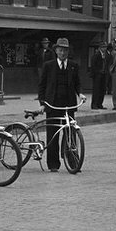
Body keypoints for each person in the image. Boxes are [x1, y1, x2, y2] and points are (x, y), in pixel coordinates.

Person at [37, 36, 83, 172]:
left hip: (69, 105)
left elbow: (77, 83)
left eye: (65, 51)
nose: (62, 53)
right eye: (60, 50)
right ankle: (53, 165)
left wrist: (80, 94)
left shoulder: (73, 66)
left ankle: (73, 163)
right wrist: (42, 103)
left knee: (71, 134)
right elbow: (42, 86)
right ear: (56, 51)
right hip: (52, 105)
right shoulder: (48, 66)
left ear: (68, 52)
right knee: (52, 135)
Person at [89, 39, 110, 109]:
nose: (104, 48)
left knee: (102, 89)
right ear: (100, 47)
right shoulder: (96, 55)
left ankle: (100, 104)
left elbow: (109, 63)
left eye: (105, 47)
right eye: (103, 47)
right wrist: (96, 72)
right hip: (97, 75)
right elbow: (93, 65)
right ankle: (94, 104)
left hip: (104, 74)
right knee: (96, 90)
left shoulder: (107, 55)